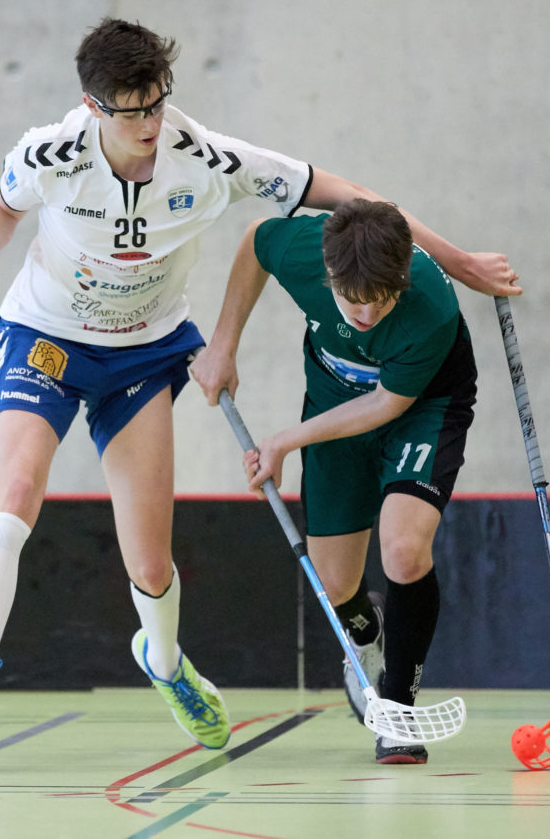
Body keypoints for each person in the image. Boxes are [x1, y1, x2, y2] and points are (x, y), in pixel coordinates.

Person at [0, 17, 518, 766]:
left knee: (148, 564)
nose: (150, 123)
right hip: (46, 337)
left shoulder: (205, 158)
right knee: (17, 483)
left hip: (144, 352)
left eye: (158, 103)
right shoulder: (49, 153)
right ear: (92, 105)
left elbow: (352, 196)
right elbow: (3, 208)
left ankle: (167, 662)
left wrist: (457, 260)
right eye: (131, 110)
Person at [191, 199, 498, 764]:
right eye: (352, 301)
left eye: (381, 301)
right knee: (336, 587)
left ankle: (399, 713)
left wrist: (286, 440)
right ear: (327, 274)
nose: (365, 315)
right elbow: (258, 239)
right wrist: (223, 345)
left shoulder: (429, 304)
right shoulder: (304, 251)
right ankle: (367, 627)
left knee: (404, 552)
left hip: (422, 408)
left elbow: (387, 402)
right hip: (334, 402)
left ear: (401, 278)